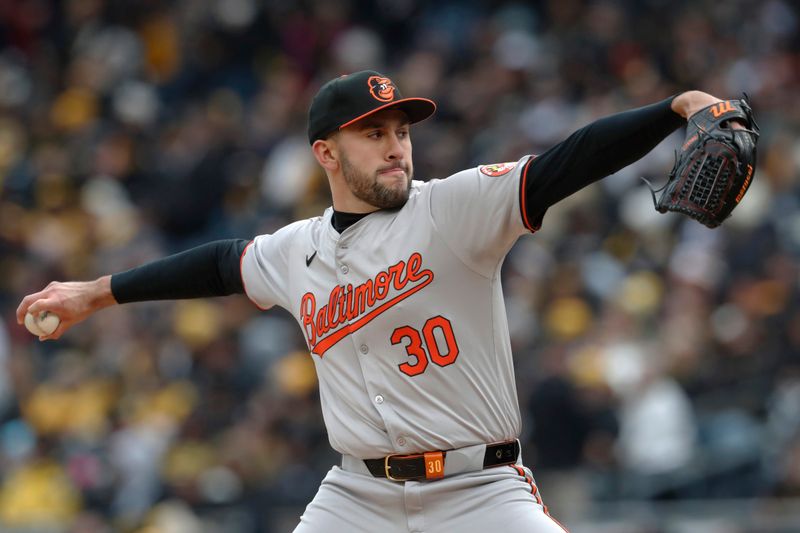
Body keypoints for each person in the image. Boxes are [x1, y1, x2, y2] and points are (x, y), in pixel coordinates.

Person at [17, 70, 736, 532]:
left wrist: (676, 108)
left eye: (400, 131)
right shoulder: (295, 250)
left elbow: (565, 162)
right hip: (354, 499)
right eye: (373, 133)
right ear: (326, 152)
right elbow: (217, 264)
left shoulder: (454, 209)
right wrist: (95, 292)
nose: (396, 146)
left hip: (478, 491)